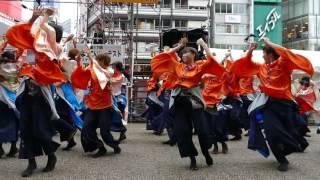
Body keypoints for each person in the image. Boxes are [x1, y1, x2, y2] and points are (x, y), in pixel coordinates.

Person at [230, 39, 313, 172]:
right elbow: (245, 64)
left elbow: (285, 52)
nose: (262, 56)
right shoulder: (261, 67)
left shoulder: (283, 63)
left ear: (270, 54)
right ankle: (282, 159)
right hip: (269, 104)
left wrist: (269, 42)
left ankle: (296, 145)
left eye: (264, 53)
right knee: (270, 132)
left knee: (292, 130)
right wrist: (250, 50)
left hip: (285, 104)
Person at [6, 8, 68, 177]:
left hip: (41, 93)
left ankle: (51, 156)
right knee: (25, 129)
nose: (39, 34)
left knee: (40, 128)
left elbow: (46, 30)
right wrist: (34, 17)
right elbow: (27, 30)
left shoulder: (53, 50)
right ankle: (31, 162)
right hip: (26, 90)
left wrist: (45, 17)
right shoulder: (29, 48)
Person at [151, 37, 224, 170]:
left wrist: (204, 44)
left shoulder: (200, 66)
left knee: (202, 131)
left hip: (195, 103)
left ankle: (206, 153)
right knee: (183, 132)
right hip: (180, 103)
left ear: (194, 55)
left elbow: (212, 61)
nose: (184, 55)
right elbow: (162, 57)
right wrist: (178, 47)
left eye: (187, 52)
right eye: (182, 53)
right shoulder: (177, 66)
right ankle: (192, 159)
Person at [71, 49, 121, 158]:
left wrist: (90, 57)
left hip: (105, 107)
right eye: (97, 60)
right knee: (86, 129)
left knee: (104, 132)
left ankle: (114, 145)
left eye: (99, 60)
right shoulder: (92, 69)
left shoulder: (109, 71)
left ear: (104, 62)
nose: (97, 62)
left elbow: (101, 74)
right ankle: (100, 147)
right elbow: (82, 73)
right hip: (92, 106)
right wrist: (79, 62)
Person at [202, 73, 228, 154]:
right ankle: (215, 146)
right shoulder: (204, 77)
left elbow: (224, 91)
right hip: (206, 106)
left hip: (216, 106)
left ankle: (223, 143)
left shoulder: (220, 77)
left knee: (216, 128)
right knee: (209, 128)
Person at [0, 50, 19, 158]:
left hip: (2, 97)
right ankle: (13, 147)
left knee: (2, 122)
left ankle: (0, 149)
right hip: (14, 97)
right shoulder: (16, 67)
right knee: (14, 122)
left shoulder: (2, 67)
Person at [110, 61, 128, 142]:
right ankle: (121, 132)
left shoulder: (121, 76)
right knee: (114, 116)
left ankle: (122, 131)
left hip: (118, 98)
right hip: (112, 97)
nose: (112, 67)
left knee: (118, 116)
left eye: (113, 66)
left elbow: (111, 81)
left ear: (116, 67)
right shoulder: (113, 74)